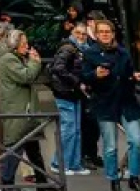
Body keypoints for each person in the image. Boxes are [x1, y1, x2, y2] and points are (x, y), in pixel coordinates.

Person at [83, 19, 140, 191]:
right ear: (96, 35)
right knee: (110, 146)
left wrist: (134, 77)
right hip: (105, 102)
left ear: (113, 34)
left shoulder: (123, 53)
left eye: (107, 32)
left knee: (136, 140)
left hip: (126, 101)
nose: (105, 34)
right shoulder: (90, 53)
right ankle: (114, 179)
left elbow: (128, 74)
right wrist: (95, 74)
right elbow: (83, 76)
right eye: (101, 32)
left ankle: (134, 176)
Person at [0, 29, 51, 190]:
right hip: (18, 111)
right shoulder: (8, 60)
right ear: (15, 45)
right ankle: (7, 184)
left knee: (34, 150)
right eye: (24, 44)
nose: (27, 46)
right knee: (15, 149)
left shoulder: (17, 58)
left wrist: (33, 62)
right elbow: (26, 76)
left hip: (25, 110)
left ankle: (43, 182)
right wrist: (35, 62)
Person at [48, 22, 93, 177]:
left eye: (84, 34)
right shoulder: (68, 48)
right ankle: (60, 163)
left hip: (73, 94)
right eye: (78, 33)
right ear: (72, 33)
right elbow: (58, 68)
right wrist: (76, 81)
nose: (81, 36)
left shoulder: (80, 50)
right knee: (69, 130)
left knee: (75, 131)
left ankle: (73, 163)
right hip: (65, 93)